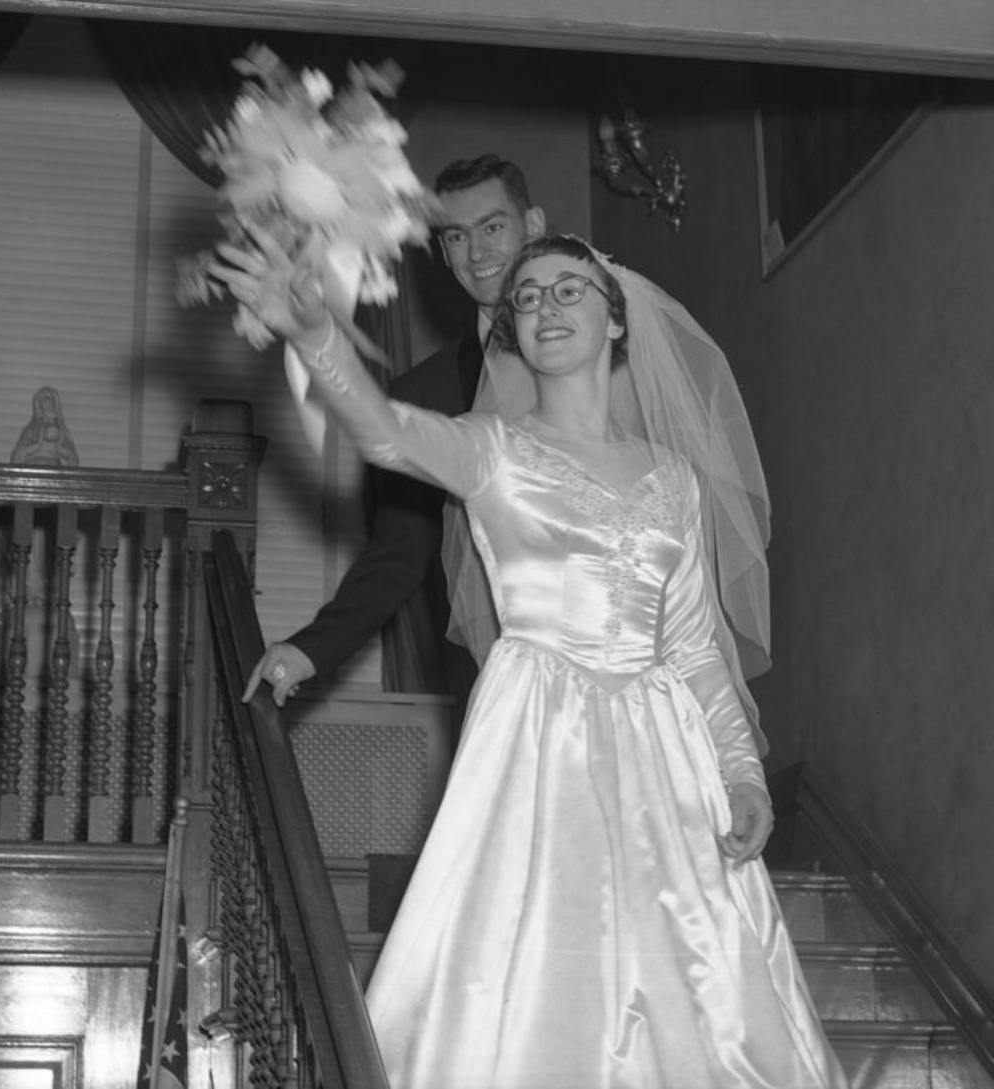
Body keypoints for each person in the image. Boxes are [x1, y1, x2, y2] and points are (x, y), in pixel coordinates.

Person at [214, 229, 847, 1088]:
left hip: (666, 756)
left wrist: (739, 774)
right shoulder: (494, 449)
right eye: (528, 296)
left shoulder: (674, 480)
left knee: (694, 995)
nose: (545, 305)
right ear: (511, 329)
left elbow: (696, 645)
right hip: (542, 739)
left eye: (568, 289)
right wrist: (316, 333)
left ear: (616, 322)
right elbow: (386, 433)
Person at [244, 153, 546, 707]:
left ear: (535, 227)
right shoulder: (420, 395)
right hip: (493, 676)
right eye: (456, 236)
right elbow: (401, 549)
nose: (477, 252)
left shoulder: (609, 358)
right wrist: (313, 648)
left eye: (494, 227)